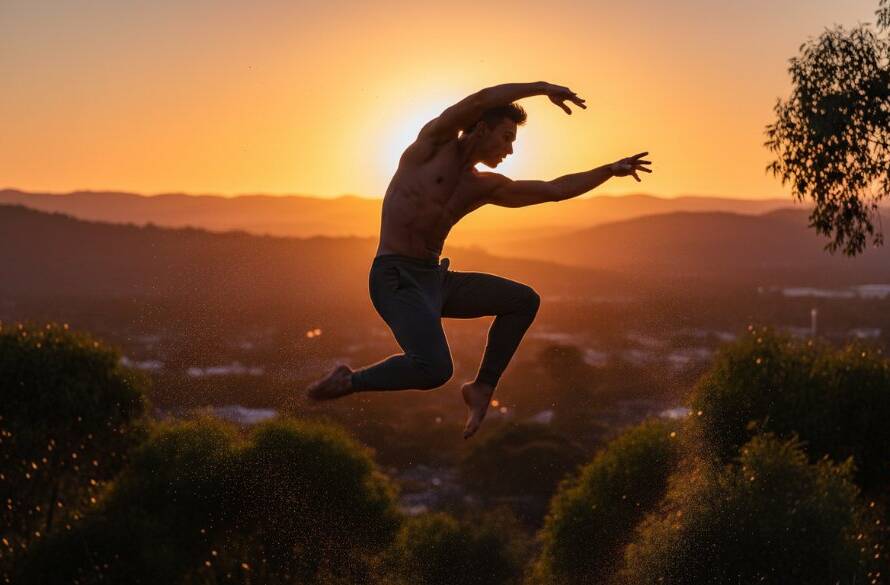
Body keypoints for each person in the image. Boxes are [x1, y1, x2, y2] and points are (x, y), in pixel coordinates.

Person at [306, 81, 652, 438]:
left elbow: (554, 190)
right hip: (395, 277)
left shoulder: (484, 186)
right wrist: (543, 87)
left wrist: (610, 170)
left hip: (434, 280)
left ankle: (482, 388)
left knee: (523, 300)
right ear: (482, 128)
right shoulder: (431, 145)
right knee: (434, 370)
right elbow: (482, 99)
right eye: (506, 137)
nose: (510, 149)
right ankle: (350, 380)